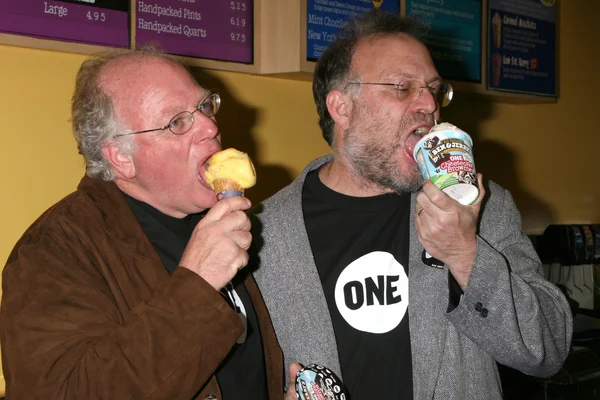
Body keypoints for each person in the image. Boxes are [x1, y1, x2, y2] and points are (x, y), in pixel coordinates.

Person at [251, 10, 573, 399]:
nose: (429, 105)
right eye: (402, 88)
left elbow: (548, 351)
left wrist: (465, 254)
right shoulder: (262, 234)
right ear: (342, 108)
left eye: (434, 89)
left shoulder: (480, 206)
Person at [0, 47, 287, 399]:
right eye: (178, 122)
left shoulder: (222, 220)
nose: (211, 127)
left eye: (203, 106)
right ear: (121, 158)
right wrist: (197, 283)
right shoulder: (52, 250)